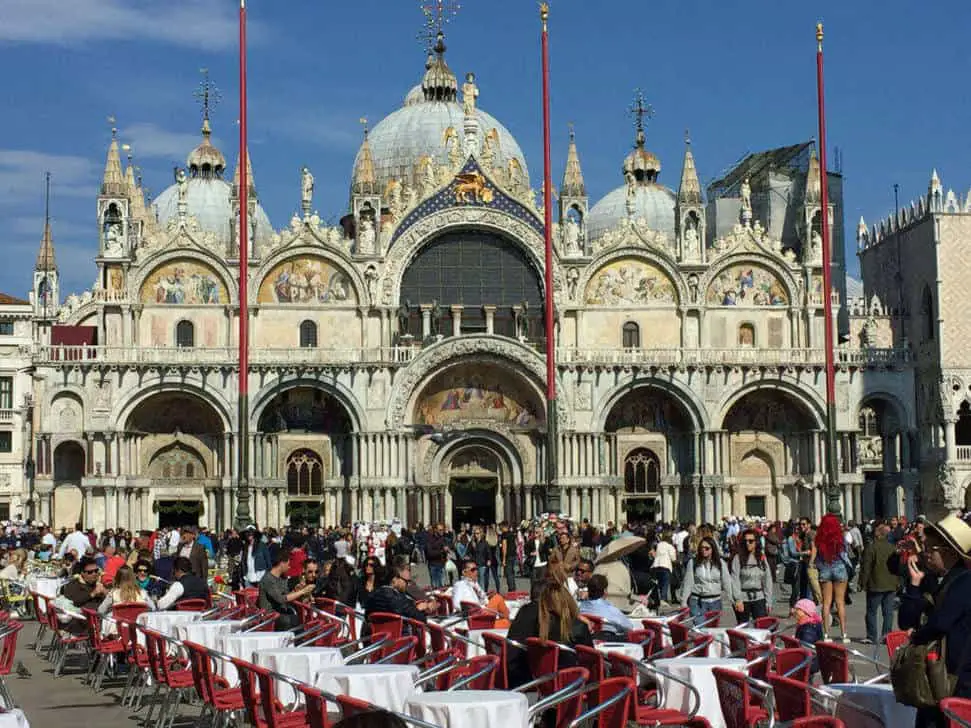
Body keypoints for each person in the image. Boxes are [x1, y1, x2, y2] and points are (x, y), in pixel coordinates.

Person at [898, 514, 971, 728]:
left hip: (955, 677)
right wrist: (914, 585)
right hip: (937, 676)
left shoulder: (964, 582)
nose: (925, 554)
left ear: (948, 552)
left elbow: (940, 623)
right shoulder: (936, 580)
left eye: (930, 549)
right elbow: (905, 620)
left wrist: (917, 634)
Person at [506, 577, 593, 687]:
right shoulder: (578, 627)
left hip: (542, 681)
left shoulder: (540, 625)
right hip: (572, 684)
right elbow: (591, 660)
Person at [859, 521, 898, 645]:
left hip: (875, 584)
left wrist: (862, 583)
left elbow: (866, 567)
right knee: (888, 613)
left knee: (871, 612)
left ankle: (872, 636)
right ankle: (886, 636)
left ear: (877, 535)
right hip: (891, 584)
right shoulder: (892, 548)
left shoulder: (871, 548)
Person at [258, 550, 315, 630]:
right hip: (270, 616)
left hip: (282, 613)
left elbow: (287, 596)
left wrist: (295, 590)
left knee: (301, 619)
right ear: (282, 563)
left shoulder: (281, 578)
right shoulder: (268, 579)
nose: (289, 567)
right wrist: (303, 591)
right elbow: (281, 599)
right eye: (288, 564)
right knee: (295, 620)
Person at [815, 514, 850, 642]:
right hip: (839, 568)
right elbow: (845, 554)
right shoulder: (840, 538)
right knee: (840, 602)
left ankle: (826, 634)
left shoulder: (819, 540)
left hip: (825, 569)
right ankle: (844, 634)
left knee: (826, 603)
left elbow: (817, 559)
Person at [363, 561, 433, 623]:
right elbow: (420, 619)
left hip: (376, 636)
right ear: (394, 580)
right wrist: (418, 609)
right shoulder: (397, 598)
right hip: (400, 636)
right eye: (405, 581)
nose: (407, 584)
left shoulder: (372, 596)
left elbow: (366, 618)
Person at [729, 528, 773, 623]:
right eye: (745, 541)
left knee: (762, 627)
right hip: (743, 599)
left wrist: (769, 600)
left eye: (751, 541)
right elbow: (734, 579)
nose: (747, 543)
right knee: (743, 629)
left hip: (759, 598)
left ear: (756, 542)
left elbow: (767, 580)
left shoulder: (761, 557)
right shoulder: (738, 558)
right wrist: (738, 599)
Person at [680, 536, 729, 619]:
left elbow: (727, 582)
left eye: (707, 548)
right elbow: (688, 583)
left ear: (713, 549)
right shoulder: (693, 562)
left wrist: (734, 600)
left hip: (715, 602)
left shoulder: (720, 563)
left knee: (712, 631)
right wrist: (683, 602)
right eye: (701, 548)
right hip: (697, 602)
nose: (704, 550)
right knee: (700, 629)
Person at [451, 560, 511, 627]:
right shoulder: (459, 585)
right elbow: (456, 604)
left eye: (476, 569)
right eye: (473, 570)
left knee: (496, 597)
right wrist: (474, 609)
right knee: (498, 600)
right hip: (476, 617)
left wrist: (487, 595)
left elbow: (480, 597)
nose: (476, 572)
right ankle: (507, 621)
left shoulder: (474, 584)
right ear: (464, 572)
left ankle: (506, 619)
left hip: (483, 611)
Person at [577, 574, 635, 638]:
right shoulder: (611, 610)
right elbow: (629, 627)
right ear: (604, 591)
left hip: (587, 640)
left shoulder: (580, 607)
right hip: (608, 642)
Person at [61, 556, 107, 634]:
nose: (94, 574)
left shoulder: (96, 583)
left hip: (99, 619)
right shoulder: (74, 584)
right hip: (82, 623)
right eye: (90, 572)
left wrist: (106, 593)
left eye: (96, 571)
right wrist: (92, 594)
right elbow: (73, 601)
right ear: (82, 573)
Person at [792, 598, 823, 675]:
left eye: (798, 609)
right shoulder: (810, 623)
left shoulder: (808, 629)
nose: (794, 611)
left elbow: (806, 649)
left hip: (809, 662)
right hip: (812, 660)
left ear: (806, 612)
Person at [652, 531, 678, 605]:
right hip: (665, 566)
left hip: (656, 565)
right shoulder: (670, 546)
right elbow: (673, 559)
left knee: (660, 583)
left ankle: (662, 598)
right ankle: (663, 599)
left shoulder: (659, 545)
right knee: (665, 583)